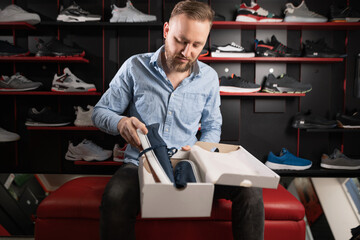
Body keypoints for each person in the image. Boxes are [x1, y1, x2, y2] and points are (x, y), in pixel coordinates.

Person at [92, 1, 264, 239]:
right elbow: (99, 112)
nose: (187, 52)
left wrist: (201, 151)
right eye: (181, 41)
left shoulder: (210, 78)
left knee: (250, 190)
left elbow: (213, 126)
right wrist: (121, 123)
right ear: (166, 31)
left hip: (192, 163)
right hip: (141, 164)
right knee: (115, 197)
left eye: (197, 45)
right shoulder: (134, 67)